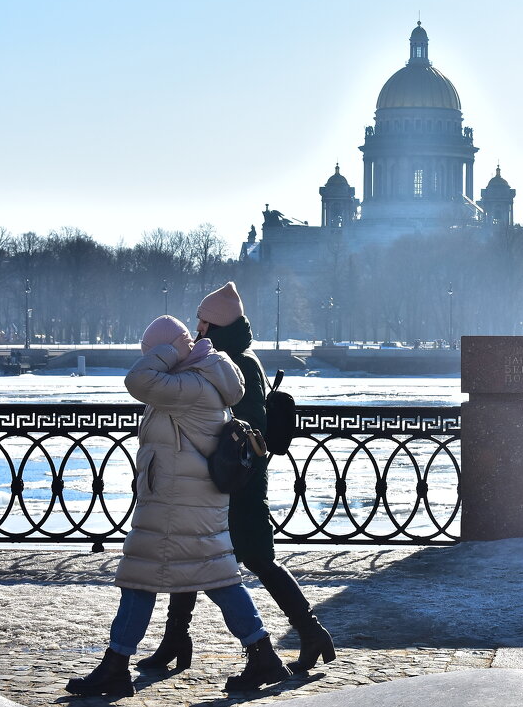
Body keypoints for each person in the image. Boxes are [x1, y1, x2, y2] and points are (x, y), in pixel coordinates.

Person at [66, 316, 289, 697]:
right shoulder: (199, 376)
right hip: (182, 500)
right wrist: (177, 349)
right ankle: (261, 654)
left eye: (153, 352)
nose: (150, 359)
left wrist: (171, 349)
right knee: (203, 579)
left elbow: (136, 381)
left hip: (178, 504)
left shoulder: (190, 383)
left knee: (159, 580)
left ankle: (117, 665)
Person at [138, 283, 335, 674]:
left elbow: (232, 424)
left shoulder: (233, 364)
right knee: (194, 553)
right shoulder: (236, 358)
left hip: (235, 482)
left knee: (254, 559)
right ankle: (176, 640)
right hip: (230, 477)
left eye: (203, 321)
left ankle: (309, 633)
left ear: (217, 324)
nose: (197, 328)